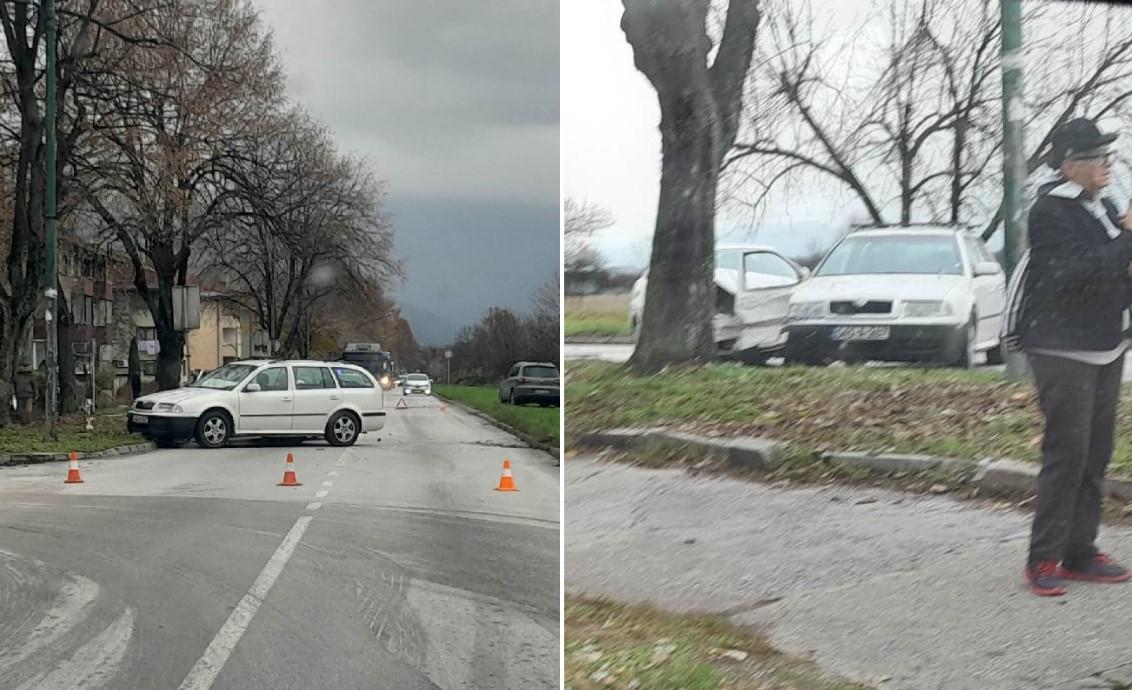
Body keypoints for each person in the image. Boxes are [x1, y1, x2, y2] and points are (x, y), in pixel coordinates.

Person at [1019, 117, 1132, 596]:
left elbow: (1116, 271)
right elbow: (1078, 275)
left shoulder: (1102, 206)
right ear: (1072, 166)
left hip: (1106, 342)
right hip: (1062, 345)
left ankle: (1081, 550)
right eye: (1098, 159)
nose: (1107, 166)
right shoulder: (1050, 212)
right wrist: (1127, 237)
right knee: (1067, 452)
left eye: (1108, 157)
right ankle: (1043, 559)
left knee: (1096, 452)